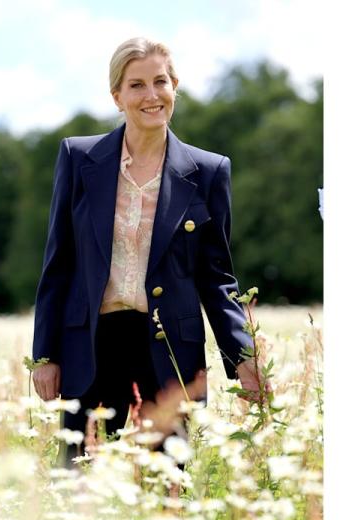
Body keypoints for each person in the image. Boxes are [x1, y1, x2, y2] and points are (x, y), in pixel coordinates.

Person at [31, 37, 270, 468]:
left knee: (165, 491)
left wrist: (243, 358)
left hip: (168, 352)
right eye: (137, 85)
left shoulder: (210, 171)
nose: (151, 95)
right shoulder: (78, 158)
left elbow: (217, 278)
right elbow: (59, 264)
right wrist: (45, 356)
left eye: (160, 82)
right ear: (117, 97)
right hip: (90, 349)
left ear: (175, 86)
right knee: (80, 484)